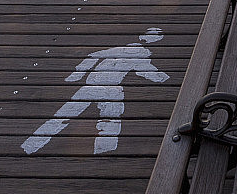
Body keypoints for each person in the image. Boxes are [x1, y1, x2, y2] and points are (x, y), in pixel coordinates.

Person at [21, 27, 168, 155]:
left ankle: (31, 145)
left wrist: (78, 74)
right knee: (109, 122)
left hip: (93, 85)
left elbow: (95, 55)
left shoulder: (124, 50)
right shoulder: (139, 53)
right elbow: (147, 71)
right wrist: (164, 78)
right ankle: (105, 152)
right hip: (109, 88)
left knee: (64, 116)